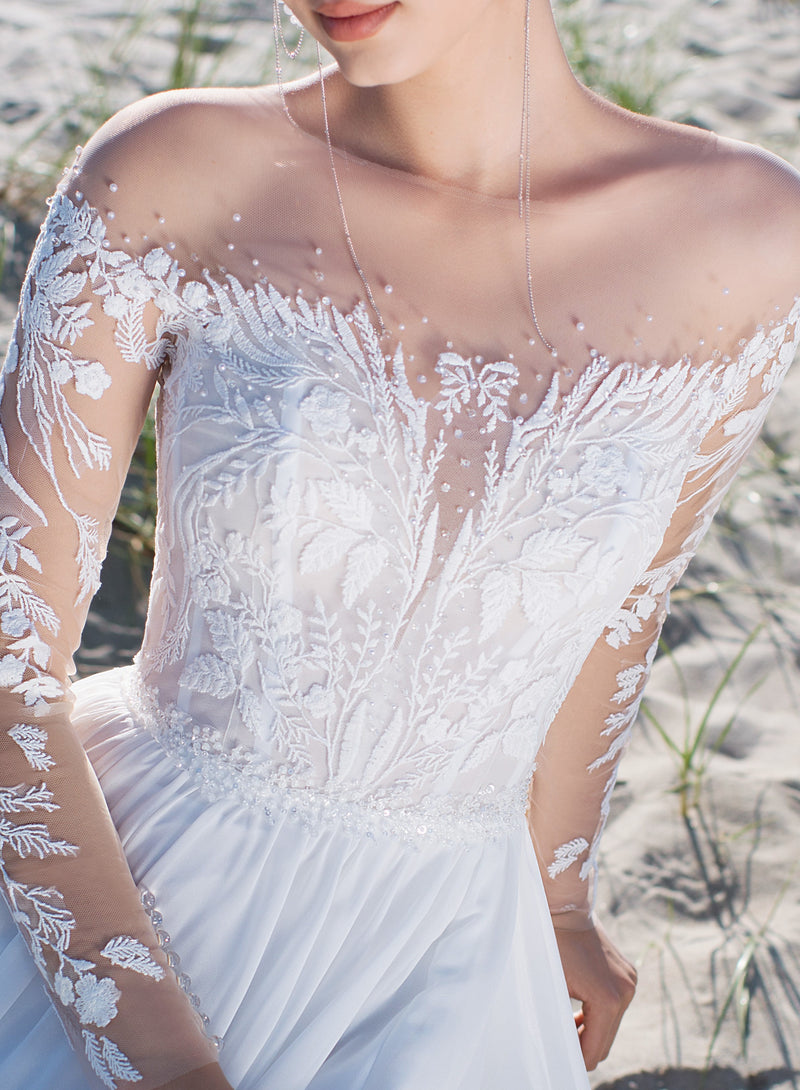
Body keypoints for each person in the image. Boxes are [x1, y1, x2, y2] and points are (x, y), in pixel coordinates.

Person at [0, 0, 798, 1087]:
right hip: (139, 897)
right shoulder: (169, 171)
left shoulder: (747, 236)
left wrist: (558, 894)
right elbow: (10, 662)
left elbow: (620, 605)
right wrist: (160, 1066)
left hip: (457, 953)